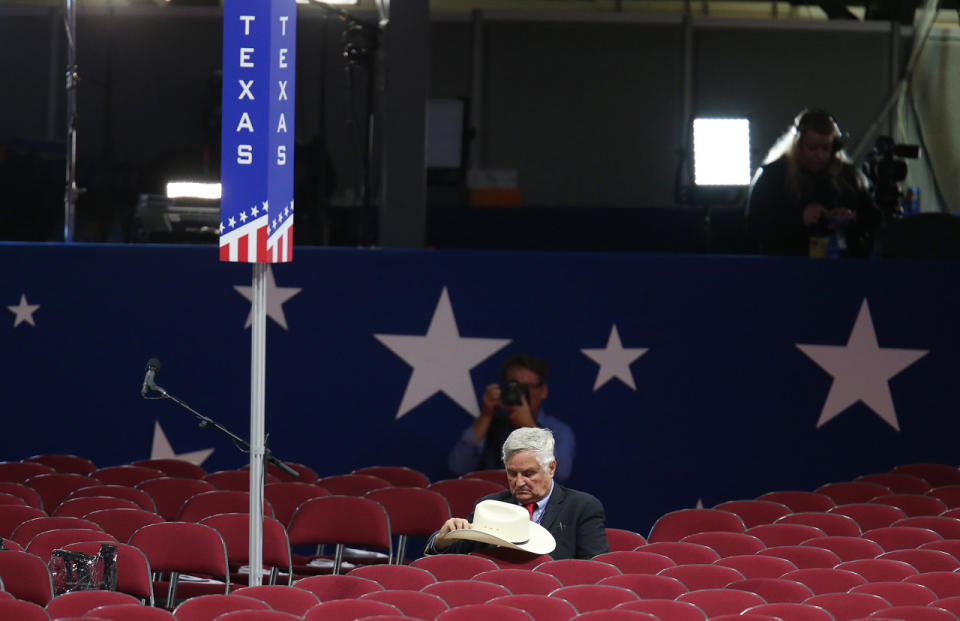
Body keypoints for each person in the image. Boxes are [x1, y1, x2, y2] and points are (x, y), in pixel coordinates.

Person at [429, 427, 608, 560]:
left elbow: (593, 569)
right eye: (512, 473)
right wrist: (442, 540)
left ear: (551, 468)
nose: (519, 482)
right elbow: (450, 560)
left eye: (529, 474)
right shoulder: (489, 506)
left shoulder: (582, 508)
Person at [746, 109, 881, 258]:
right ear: (797, 146)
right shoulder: (773, 175)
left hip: (842, 263)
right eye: (812, 148)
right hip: (789, 263)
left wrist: (852, 218)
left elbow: (875, 219)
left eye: (825, 148)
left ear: (834, 147)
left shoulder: (847, 176)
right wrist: (799, 220)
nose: (819, 155)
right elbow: (755, 225)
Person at [448, 353, 575, 482]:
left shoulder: (559, 430)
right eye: (515, 387)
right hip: (491, 497)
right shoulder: (491, 423)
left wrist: (529, 427)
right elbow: (458, 468)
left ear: (543, 390)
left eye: (527, 387)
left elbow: (561, 473)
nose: (521, 393)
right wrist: (486, 416)